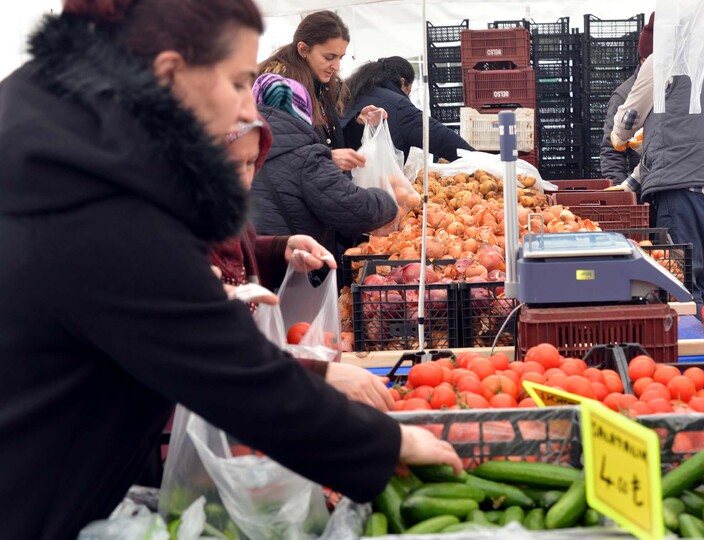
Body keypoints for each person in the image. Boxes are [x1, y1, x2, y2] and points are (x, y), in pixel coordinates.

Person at [0, 1, 460, 538]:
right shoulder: (87, 193)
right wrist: (389, 444)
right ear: (170, 73)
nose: (249, 105)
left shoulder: (55, 122)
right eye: (241, 82)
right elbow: (224, 372)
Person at [216, 119, 393, 410]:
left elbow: (237, 247)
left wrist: (279, 248)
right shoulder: (171, 222)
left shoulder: (220, 207)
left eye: (251, 164)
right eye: (233, 163)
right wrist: (319, 373)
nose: (245, 179)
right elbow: (209, 344)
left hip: (248, 389)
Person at [610, 17, 704, 315]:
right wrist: (627, 186)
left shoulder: (664, 62)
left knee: (681, 286)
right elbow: (681, 142)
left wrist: (619, 137)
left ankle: (688, 358)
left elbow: (628, 117)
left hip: (685, 196)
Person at [250, 74, 400, 256]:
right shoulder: (307, 159)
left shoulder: (235, 152)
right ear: (302, 109)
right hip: (290, 269)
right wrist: (388, 198)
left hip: (245, 268)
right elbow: (357, 211)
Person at [259, 10, 379, 173]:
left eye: (340, 57)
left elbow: (330, 144)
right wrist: (327, 158)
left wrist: (358, 125)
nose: (336, 66)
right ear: (303, 49)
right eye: (329, 57)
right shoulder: (280, 92)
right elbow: (276, 158)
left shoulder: (325, 86)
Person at [342, 56, 474, 162]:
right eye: (408, 91)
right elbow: (441, 138)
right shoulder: (398, 105)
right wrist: (478, 159)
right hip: (376, 186)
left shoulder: (348, 95)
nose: (408, 97)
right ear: (402, 81)